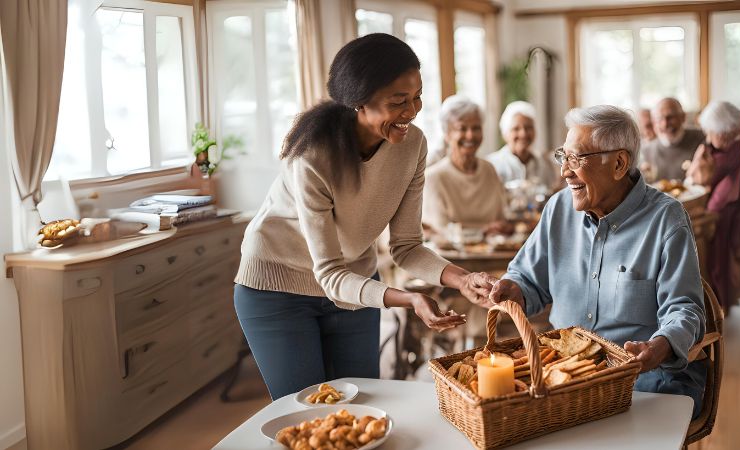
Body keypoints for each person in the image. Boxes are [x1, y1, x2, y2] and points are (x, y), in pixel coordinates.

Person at [233, 34, 494, 400]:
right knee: (308, 414)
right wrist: (410, 299)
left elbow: (406, 247)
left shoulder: (413, 146)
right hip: (278, 287)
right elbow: (329, 274)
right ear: (358, 102)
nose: (412, 111)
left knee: (361, 403)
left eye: (417, 96)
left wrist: (462, 279)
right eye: (398, 102)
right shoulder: (312, 158)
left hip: (354, 282)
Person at [489, 105, 709, 417]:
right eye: (563, 157)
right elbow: (528, 280)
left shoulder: (666, 219)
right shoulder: (558, 209)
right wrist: (513, 289)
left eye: (576, 159)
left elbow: (685, 309)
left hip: (643, 378)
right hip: (568, 375)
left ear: (619, 163)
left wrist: (659, 346)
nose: (565, 171)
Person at [689, 101, 740, 310]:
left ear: (724, 132)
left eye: (711, 133)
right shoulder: (728, 149)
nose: (709, 139)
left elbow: (699, 178)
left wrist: (698, 161)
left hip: (726, 214)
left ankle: (712, 300)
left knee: (697, 235)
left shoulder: (729, 153)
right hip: (724, 208)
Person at [423, 95, 511, 236]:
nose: (470, 136)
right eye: (462, 129)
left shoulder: (489, 169)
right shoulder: (433, 178)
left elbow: (501, 218)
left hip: (494, 252)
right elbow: (439, 232)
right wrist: (482, 231)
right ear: (447, 134)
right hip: (451, 257)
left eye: (476, 128)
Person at [486, 101, 560, 193]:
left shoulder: (545, 164)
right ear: (505, 134)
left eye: (528, 127)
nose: (523, 134)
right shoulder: (492, 165)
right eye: (516, 129)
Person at [639, 98, 705, 182]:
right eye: (659, 119)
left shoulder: (701, 139)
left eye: (670, 117)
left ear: (683, 117)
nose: (665, 124)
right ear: (654, 122)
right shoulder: (646, 151)